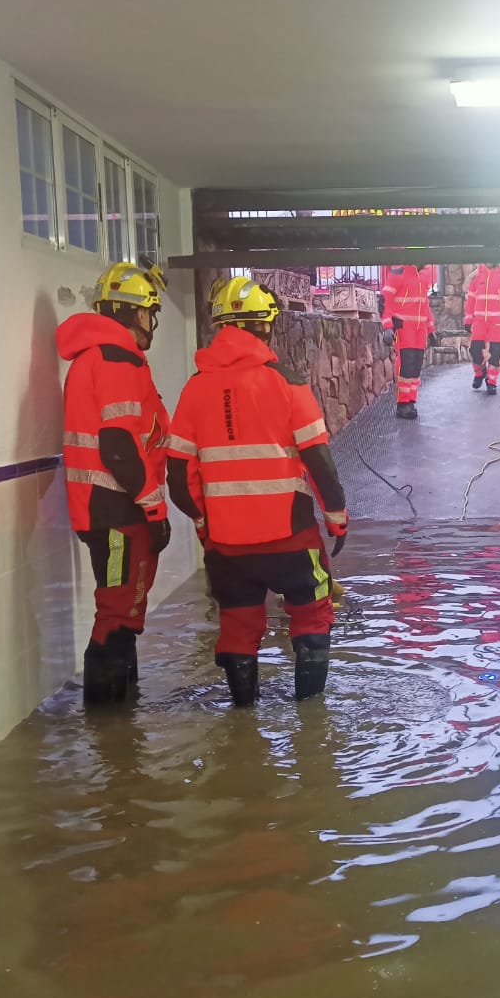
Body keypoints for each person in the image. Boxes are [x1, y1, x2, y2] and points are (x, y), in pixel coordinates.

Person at [166, 276, 350, 707]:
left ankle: (243, 718)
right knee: (312, 613)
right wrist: (336, 519)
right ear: (264, 326)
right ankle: (311, 724)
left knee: (237, 622)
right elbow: (319, 462)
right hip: (291, 535)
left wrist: (203, 522)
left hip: (227, 545)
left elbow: (177, 476)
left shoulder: (195, 388)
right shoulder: (288, 383)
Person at [57, 260, 173, 706]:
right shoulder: (116, 359)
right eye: (150, 313)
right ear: (136, 313)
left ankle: (121, 743)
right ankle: (112, 744)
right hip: (117, 509)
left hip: (106, 508)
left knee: (123, 612)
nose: (151, 324)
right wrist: (155, 509)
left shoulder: (99, 358)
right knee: (116, 617)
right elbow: (119, 446)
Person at [381, 263, 435, 420]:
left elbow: (425, 306)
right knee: (406, 363)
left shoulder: (422, 278)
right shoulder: (397, 274)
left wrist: (431, 330)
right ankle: (403, 404)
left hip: (420, 329)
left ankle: (410, 401)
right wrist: (387, 326)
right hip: (404, 326)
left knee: (416, 365)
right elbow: (385, 301)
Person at [464, 263, 500, 394]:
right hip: (479, 322)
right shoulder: (476, 279)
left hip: (496, 322)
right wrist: (468, 319)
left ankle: (492, 382)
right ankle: (480, 373)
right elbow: (470, 301)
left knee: (495, 353)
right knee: (475, 351)